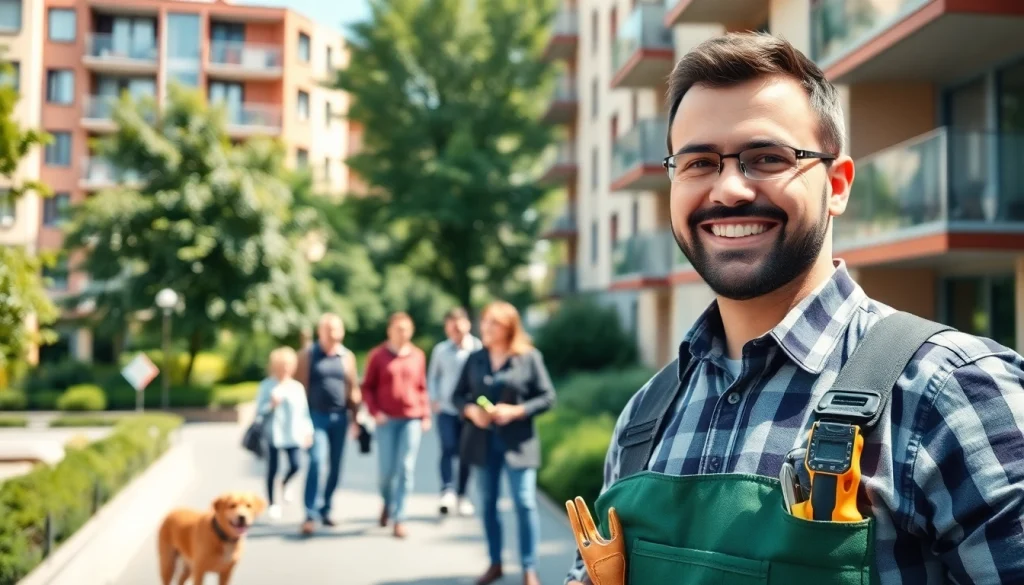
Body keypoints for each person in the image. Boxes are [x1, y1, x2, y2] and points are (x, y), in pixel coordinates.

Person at [564, 32, 1024, 585]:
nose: (729, 188)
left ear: (837, 184)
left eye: (766, 158)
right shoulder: (643, 419)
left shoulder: (950, 396)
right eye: (698, 163)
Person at [452, 300, 556, 585]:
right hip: (482, 443)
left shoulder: (529, 357)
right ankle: (495, 562)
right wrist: (472, 411)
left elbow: (548, 397)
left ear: (509, 327)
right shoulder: (475, 359)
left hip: (519, 444)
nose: (485, 327)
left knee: (524, 503)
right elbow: (457, 397)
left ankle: (529, 568)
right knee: (487, 504)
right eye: (484, 321)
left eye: (493, 322)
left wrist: (516, 411)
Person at [362, 311, 431, 538]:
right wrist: (375, 412)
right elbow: (367, 388)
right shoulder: (378, 355)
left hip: (411, 417)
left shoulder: (418, 356)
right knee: (386, 471)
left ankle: (399, 517)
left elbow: (422, 387)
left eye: (406, 329)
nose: (402, 334)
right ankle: (387, 501)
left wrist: (426, 414)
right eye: (398, 329)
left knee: (405, 467)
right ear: (389, 331)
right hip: (387, 420)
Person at [295, 313, 361, 536]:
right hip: (315, 416)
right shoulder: (308, 355)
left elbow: (353, 388)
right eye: (329, 329)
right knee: (316, 461)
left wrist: (357, 418)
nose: (333, 333)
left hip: (340, 417)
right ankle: (310, 513)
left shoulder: (346, 356)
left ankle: (326, 508)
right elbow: (296, 388)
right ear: (320, 331)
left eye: (337, 329)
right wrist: (299, 422)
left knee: (335, 465)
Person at [427, 307, 482, 517]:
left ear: (467, 324)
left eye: (459, 325)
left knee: (466, 453)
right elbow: (433, 376)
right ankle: (447, 490)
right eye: (451, 326)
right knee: (448, 448)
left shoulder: (477, 348)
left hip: (470, 410)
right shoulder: (441, 350)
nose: (456, 330)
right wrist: (434, 399)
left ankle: (462, 494)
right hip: (447, 409)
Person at [254, 346, 314, 520]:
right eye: (282, 365)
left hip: (293, 434)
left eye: (288, 365)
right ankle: (273, 502)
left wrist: (307, 431)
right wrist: (271, 405)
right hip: (273, 434)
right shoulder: (267, 385)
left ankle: (285, 482)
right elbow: (259, 411)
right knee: (272, 469)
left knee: (296, 465)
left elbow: (304, 412)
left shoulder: (297, 387)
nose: (285, 369)